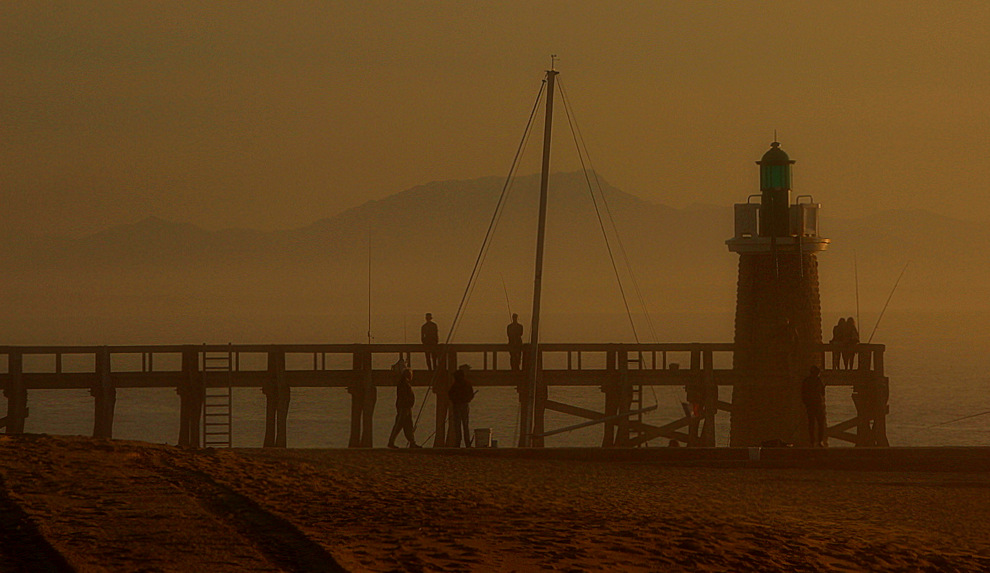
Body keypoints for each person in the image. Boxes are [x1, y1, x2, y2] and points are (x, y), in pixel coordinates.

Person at [387, 363, 420, 449]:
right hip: (404, 408)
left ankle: (412, 442)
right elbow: (404, 396)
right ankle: (391, 442)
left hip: (406, 407)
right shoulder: (404, 384)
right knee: (399, 425)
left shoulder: (404, 383)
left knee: (408, 425)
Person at [447, 364, 475, 447]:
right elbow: (471, 395)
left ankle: (458, 443)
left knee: (457, 425)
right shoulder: (467, 384)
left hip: (457, 406)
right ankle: (467, 443)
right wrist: (467, 400)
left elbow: (450, 394)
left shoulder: (455, 385)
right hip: (465, 406)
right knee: (465, 425)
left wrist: (454, 402)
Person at [801, 365, 826, 447]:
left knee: (811, 423)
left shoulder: (806, 381)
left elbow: (803, 393)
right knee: (820, 423)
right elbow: (823, 392)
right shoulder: (819, 381)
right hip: (817, 405)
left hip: (810, 405)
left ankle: (812, 441)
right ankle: (820, 440)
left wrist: (806, 403)